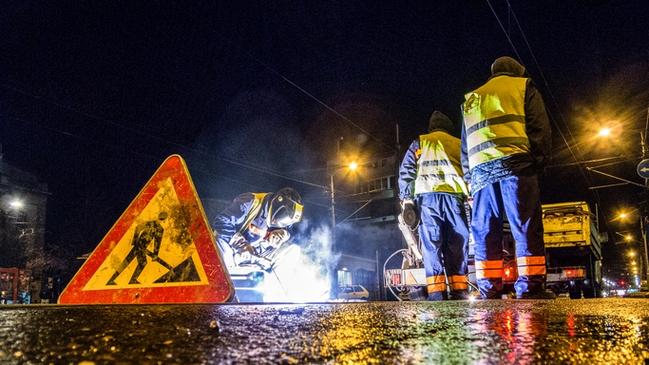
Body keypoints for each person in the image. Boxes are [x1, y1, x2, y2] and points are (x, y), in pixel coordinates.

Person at [461, 56, 552, 299]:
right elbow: (539, 127)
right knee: (524, 225)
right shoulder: (523, 86)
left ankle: (489, 289)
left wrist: (469, 177)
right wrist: (540, 161)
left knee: (485, 231)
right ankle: (530, 287)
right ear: (516, 71)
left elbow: (465, 145)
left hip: (480, 174)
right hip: (516, 165)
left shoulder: (472, 99)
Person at [398, 111, 470, 300]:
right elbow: (469, 169)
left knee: (432, 246)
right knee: (457, 244)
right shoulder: (458, 143)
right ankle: (459, 290)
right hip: (454, 199)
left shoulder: (420, 142)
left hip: (428, 202)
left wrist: (407, 200)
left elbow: (406, 171)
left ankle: (437, 293)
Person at [213, 187, 303, 271]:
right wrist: (242, 245)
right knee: (221, 253)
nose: (278, 224)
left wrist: (283, 234)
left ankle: (269, 282)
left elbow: (289, 231)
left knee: (293, 250)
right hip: (231, 248)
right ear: (278, 204)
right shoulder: (250, 201)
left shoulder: (285, 219)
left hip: (256, 253)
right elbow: (221, 221)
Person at [107, 211, 167, 285]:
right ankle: (133, 280)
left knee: (127, 262)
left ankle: (111, 280)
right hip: (141, 247)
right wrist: (155, 254)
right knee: (143, 263)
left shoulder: (151, 223)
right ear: (165, 220)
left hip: (138, 245)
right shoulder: (159, 229)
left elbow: (138, 227)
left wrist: (135, 241)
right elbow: (157, 243)